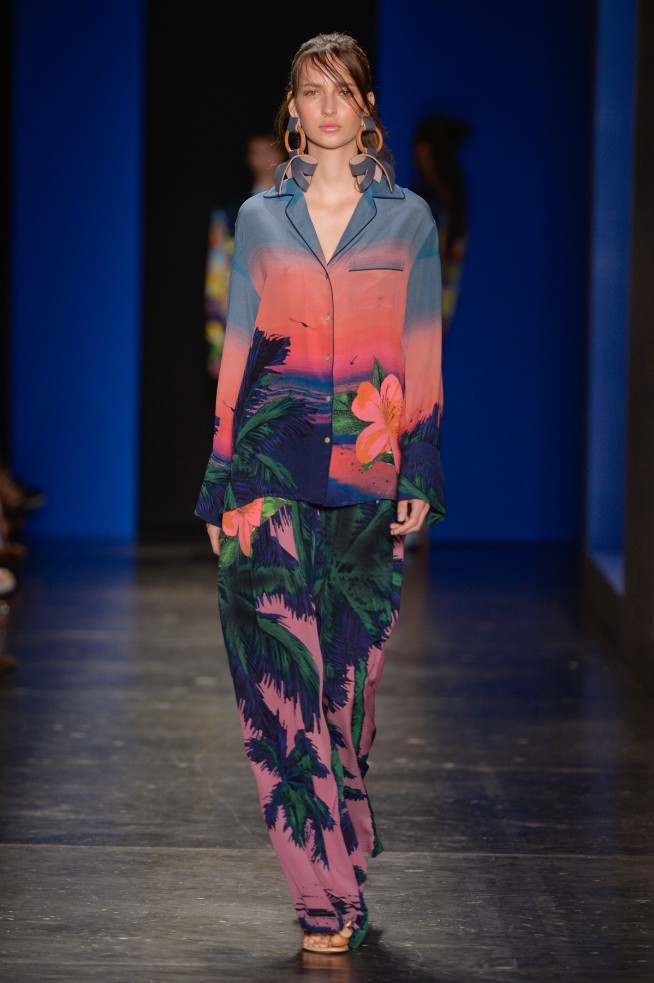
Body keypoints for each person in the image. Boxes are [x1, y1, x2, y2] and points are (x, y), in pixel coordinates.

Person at [195, 32, 446, 955]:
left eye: (343, 90)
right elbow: (237, 354)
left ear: (366, 104)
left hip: (369, 478)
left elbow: (423, 347)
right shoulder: (261, 219)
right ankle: (320, 896)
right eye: (311, 91)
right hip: (268, 475)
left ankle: (348, 850)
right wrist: (221, 482)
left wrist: (420, 466)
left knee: (346, 696)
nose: (328, 106)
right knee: (279, 691)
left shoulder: (409, 220)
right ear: (293, 108)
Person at [204, 131, 285, 380]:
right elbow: (216, 280)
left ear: (282, 153)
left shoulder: (303, 209)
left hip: (294, 325)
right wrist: (216, 347)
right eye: (256, 152)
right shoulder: (231, 213)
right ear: (248, 159)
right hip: (245, 327)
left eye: (269, 150)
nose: (264, 159)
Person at [411, 114, 470, 338]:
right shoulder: (436, 201)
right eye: (419, 156)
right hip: (427, 312)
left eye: (427, 156)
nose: (422, 163)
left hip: (428, 312)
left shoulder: (444, 205)